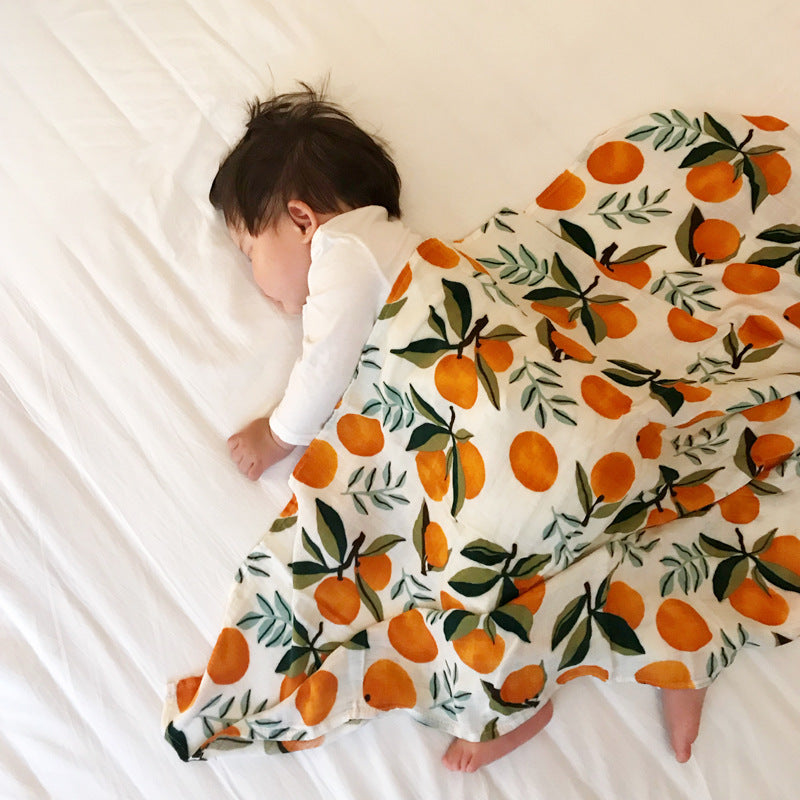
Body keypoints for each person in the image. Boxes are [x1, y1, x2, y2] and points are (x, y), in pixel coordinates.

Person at [208, 84, 708, 771]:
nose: (255, 277)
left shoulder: (344, 255)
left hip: (500, 434)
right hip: (572, 417)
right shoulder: (409, 249)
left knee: (471, 578)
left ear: (300, 218)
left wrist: (277, 435)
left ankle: (515, 699)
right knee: (622, 533)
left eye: (248, 248)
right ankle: (686, 653)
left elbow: (323, 369)